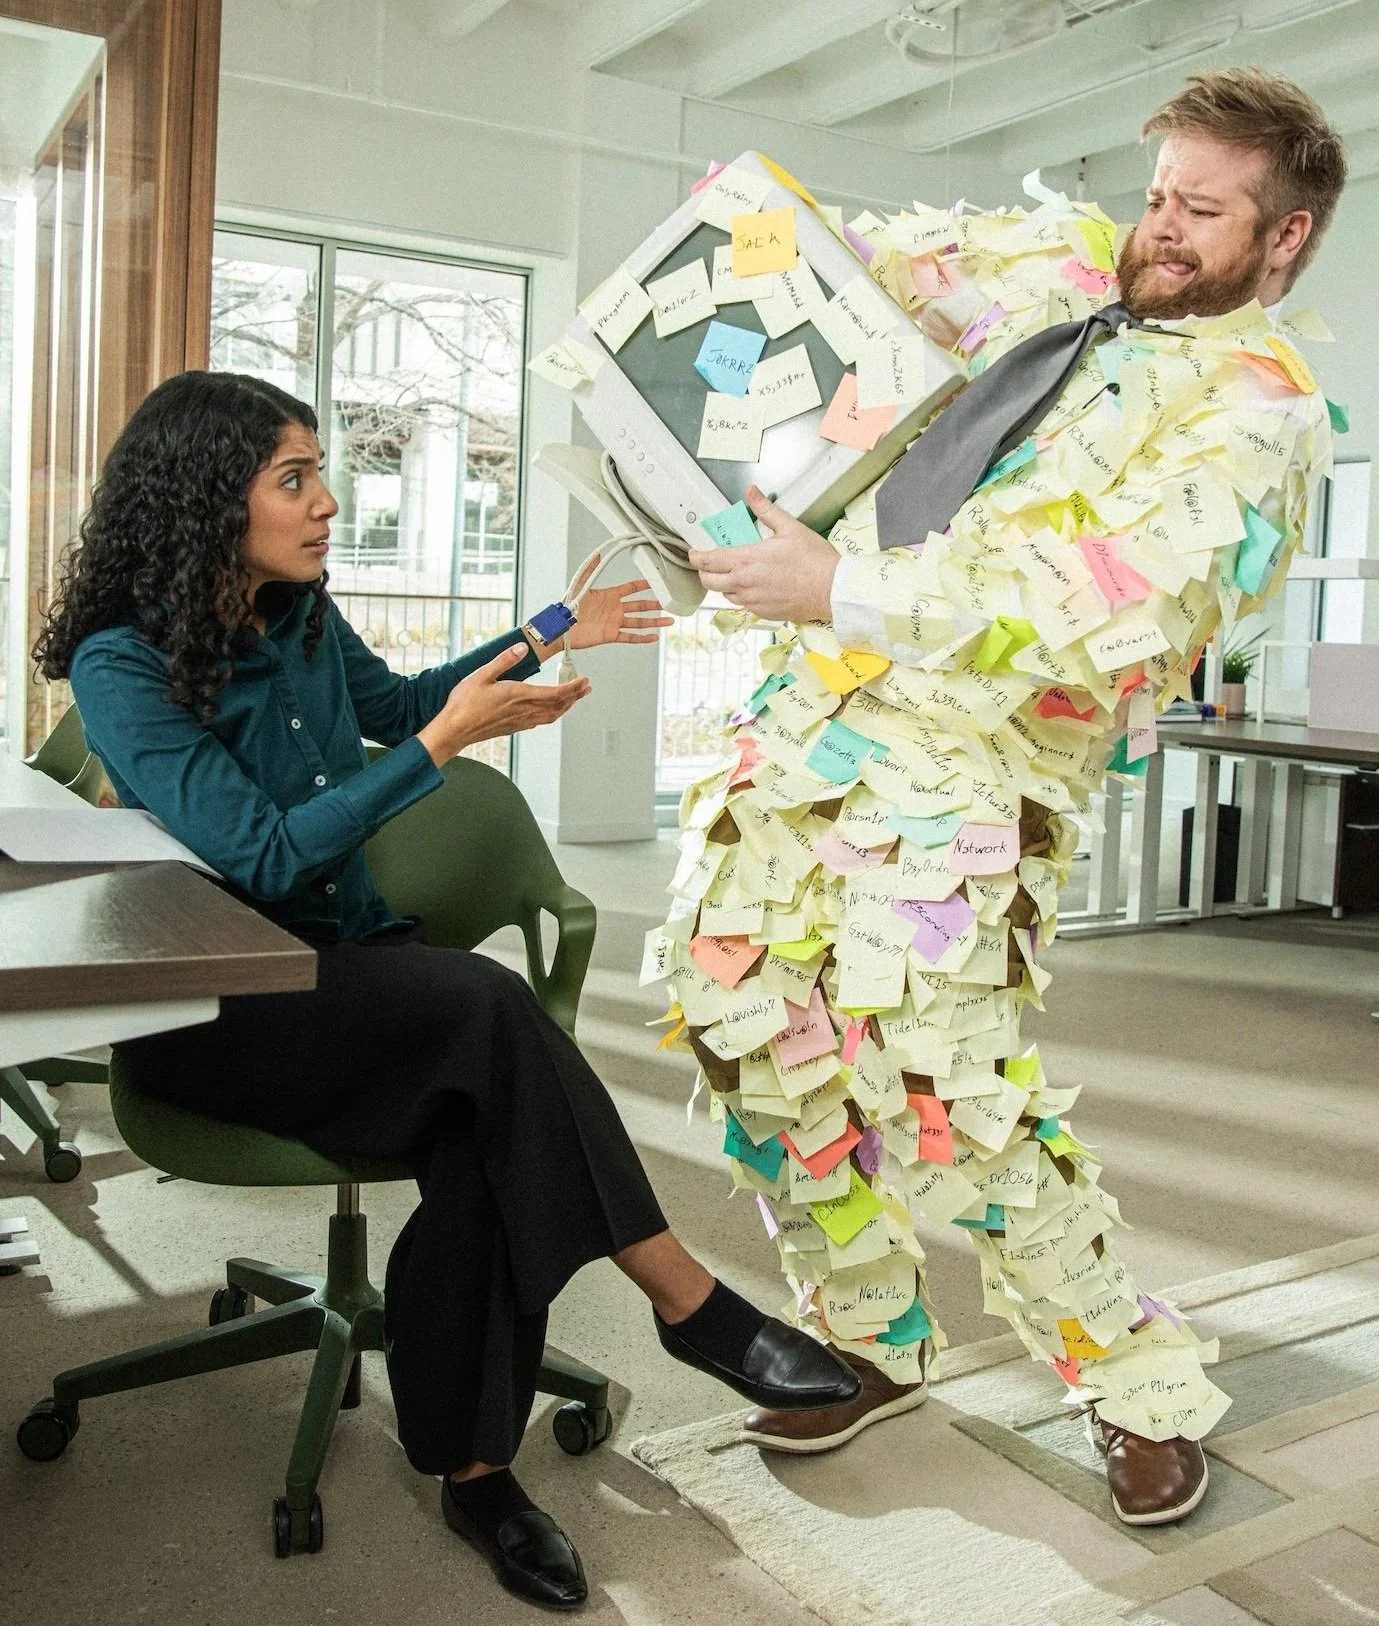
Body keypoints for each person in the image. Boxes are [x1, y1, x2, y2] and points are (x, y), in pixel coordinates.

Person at [35, 370, 860, 1612]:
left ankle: (477, 1472)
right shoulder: (122, 664)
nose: (327, 502)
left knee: (484, 1128)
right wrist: (440, 749)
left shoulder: (302, 611)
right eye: (294, 478)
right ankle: (684, 1300)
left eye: (321, 470)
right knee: (484, 1007)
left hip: (351, 971)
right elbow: (260, 852)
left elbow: (404, 706)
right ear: (209, 503)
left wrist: (541, 633)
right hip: (223, 1002)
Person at [652, 69, 1346, 1527]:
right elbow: (848, 274)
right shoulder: (1063, 266)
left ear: (1282, 239)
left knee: (948, 1091)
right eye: (1157, 193)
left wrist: (840, 584)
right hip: (805, 713)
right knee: (741, 1022)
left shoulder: (1262, 418)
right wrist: (742, 241)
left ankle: (1130, 1380)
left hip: (975, 771)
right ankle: (872, 1335)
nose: (1158, 230)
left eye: (1202, 212)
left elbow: (1122, 610)